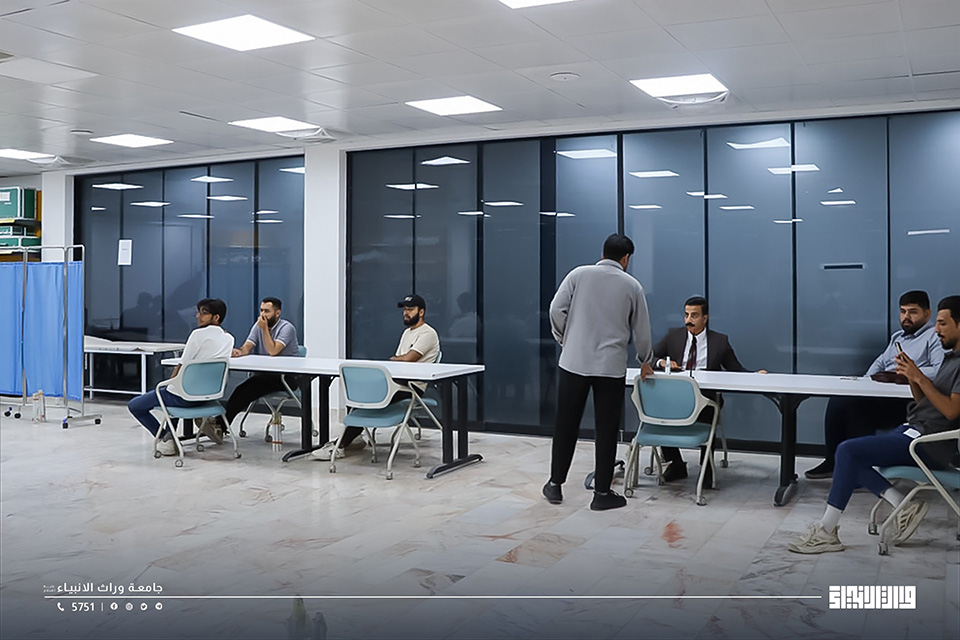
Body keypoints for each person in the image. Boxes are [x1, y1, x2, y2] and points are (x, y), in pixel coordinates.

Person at [789, 295, 960, 553]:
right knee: (849, 454)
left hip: (929, 442)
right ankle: (903, 505)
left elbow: (951, 411)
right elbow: (925, 402)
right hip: (915, 430)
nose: (937, 329)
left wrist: (920, 377)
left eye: (942, 323)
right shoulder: (950, 357)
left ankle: (827, 531)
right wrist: (912, 377)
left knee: (848, 451)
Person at [543, 233, 654, 511]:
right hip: (610, 367)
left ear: (602, 253)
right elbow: (642, 330)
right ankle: (602, 493)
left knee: (566, 424)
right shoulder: (632, 286)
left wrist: (564, 338)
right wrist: (645, 359)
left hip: (574, 362)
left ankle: (555, 485)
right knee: (606, 429)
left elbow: (556, 309)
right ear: (626, 258)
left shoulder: (578, 275)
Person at [805, 290, 945, 480]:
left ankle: (859, 471)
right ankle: (834, 461)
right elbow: (881, 361)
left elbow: (939, 371)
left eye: (913, 312)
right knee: (841, 400)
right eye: (903, 311)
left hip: (909, 402)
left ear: (927, 314)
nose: (906, 317)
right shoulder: (898, 337)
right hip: (883, 395)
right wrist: (866, 381)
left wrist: (908, 372)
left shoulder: (934, 337)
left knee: (855, 407)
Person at [652, 296, 767, 483]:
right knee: (660, 410)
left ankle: (706, 466)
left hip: (705, 397)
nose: (689, 320)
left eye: (694, 316)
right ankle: (676, 464)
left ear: (705, 318)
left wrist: (754, 375)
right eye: (686, 315)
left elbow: (735, 368)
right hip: (676, 397)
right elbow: (649, 357)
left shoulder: (719, 341)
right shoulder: (673, 336)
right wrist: (661, 362)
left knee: (709, 409)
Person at [312, 294, 440, 461]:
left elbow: (408, 359)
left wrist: (395, 359)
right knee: (360, 393)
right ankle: (354, 439)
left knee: (368, 398)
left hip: (412, 387)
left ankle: (339, 446)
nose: (406, 313)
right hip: (397, 382)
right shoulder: (407, 333)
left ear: (421, 312)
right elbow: (399, 361)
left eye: (410, 309)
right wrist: (396, 360)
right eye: (405, 310)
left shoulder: (428, 333)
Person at [127, 298, 234, 455]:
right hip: (209, 397)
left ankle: (166, 438)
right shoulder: (229, 339)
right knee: (173, 394)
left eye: (203, 313)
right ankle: (170, 436)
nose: (198, 316)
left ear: (216, 317)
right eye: (198, 312)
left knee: (136, 405)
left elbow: (182, 365)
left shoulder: (197, 334)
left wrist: (169, 384)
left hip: (186, 397)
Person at [215, 297, 301, 444]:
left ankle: (219, 425)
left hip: (286, 377)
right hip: (266, 375)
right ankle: (219, 425)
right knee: (242, 389)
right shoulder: (258, 325)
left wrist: (265, 329)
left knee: (249, 389)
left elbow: (273, 351)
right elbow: (248, 346)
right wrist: (239, 352)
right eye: (261, 310)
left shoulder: (287, 328)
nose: (263, 315)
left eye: (267, 311)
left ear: (277, 313)